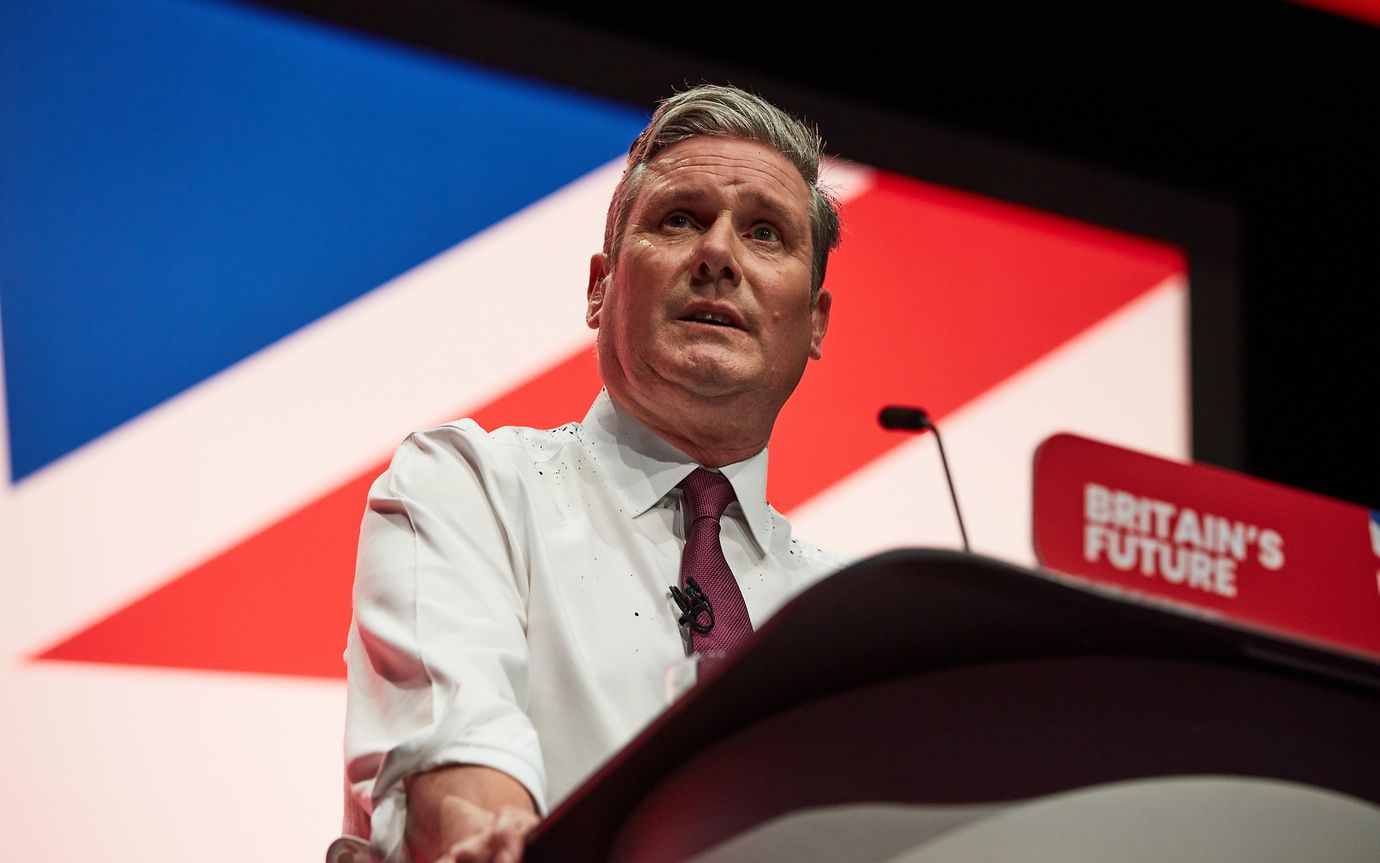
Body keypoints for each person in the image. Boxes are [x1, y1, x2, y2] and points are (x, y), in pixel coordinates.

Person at [344, 84, 846, 863]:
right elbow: (456, 739)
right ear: (599, 286)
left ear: (814, 323)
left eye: (765, 232)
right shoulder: (472, 485)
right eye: (680, 218)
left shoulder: (840, 614)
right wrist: (496, 837)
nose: (718, 254)